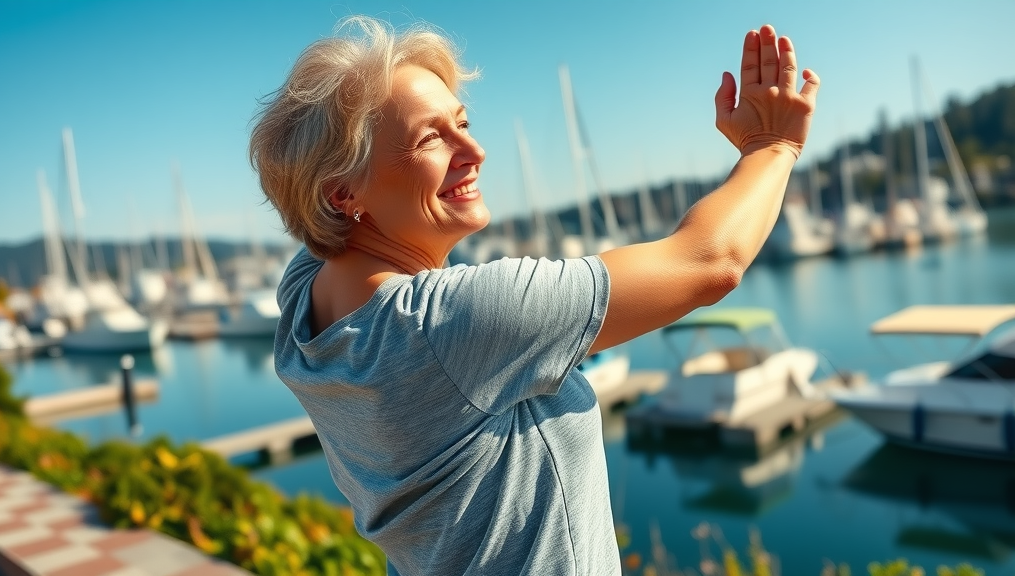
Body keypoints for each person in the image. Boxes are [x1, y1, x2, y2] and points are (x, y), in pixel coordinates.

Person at [249, 16, 818, 576]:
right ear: (344, 192)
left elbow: (314, 225)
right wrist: (773, 146)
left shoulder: (306, 303)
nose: (472, 149)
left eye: (462, 122)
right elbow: (710, 262)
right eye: (430, 138)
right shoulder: (446, 326)